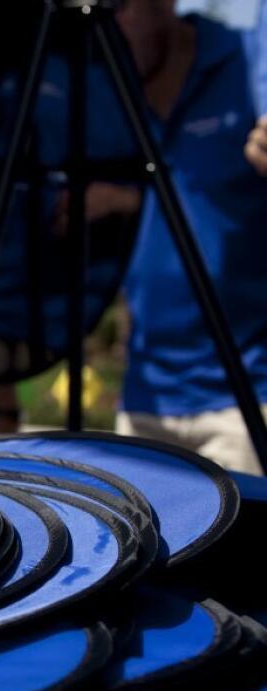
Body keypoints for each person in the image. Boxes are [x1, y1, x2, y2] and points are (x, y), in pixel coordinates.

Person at [113, 1, 267, 475]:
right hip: (143, 401)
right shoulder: (104, 96)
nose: (103, 25)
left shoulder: (246, 67)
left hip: (242, 404)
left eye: (117, 6)